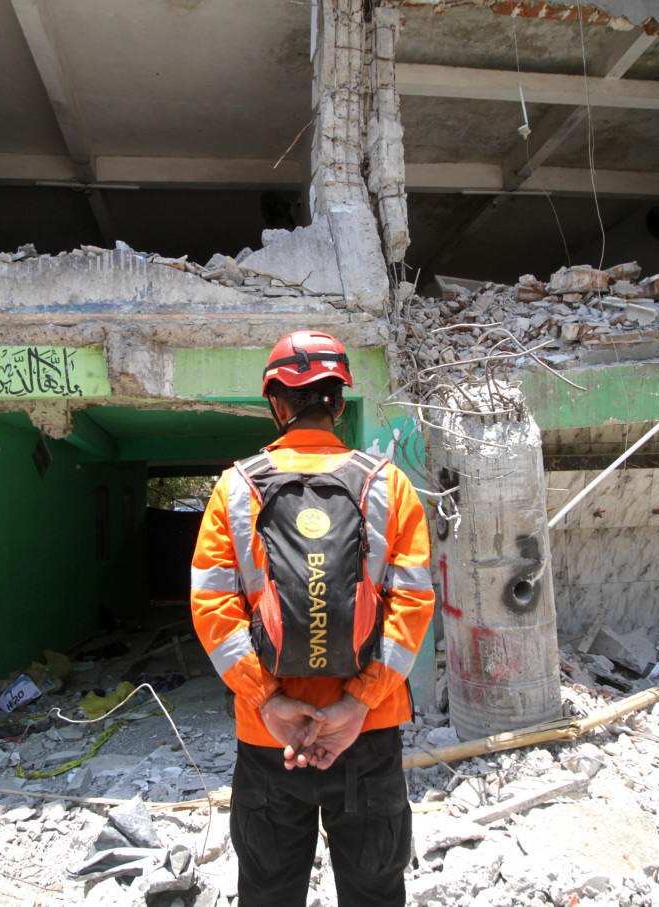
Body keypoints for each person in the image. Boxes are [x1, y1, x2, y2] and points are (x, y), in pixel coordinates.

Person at [190, 330, 434, 907]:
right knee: (373, 892)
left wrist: (269, 702)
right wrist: (356, 704)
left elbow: (212, 608)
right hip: (366, 732)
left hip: (269, 734)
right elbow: (412, 607)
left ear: (277, 402)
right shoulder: (389, 484)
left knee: (270, 893)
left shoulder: (236, 489)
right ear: (339, 403)